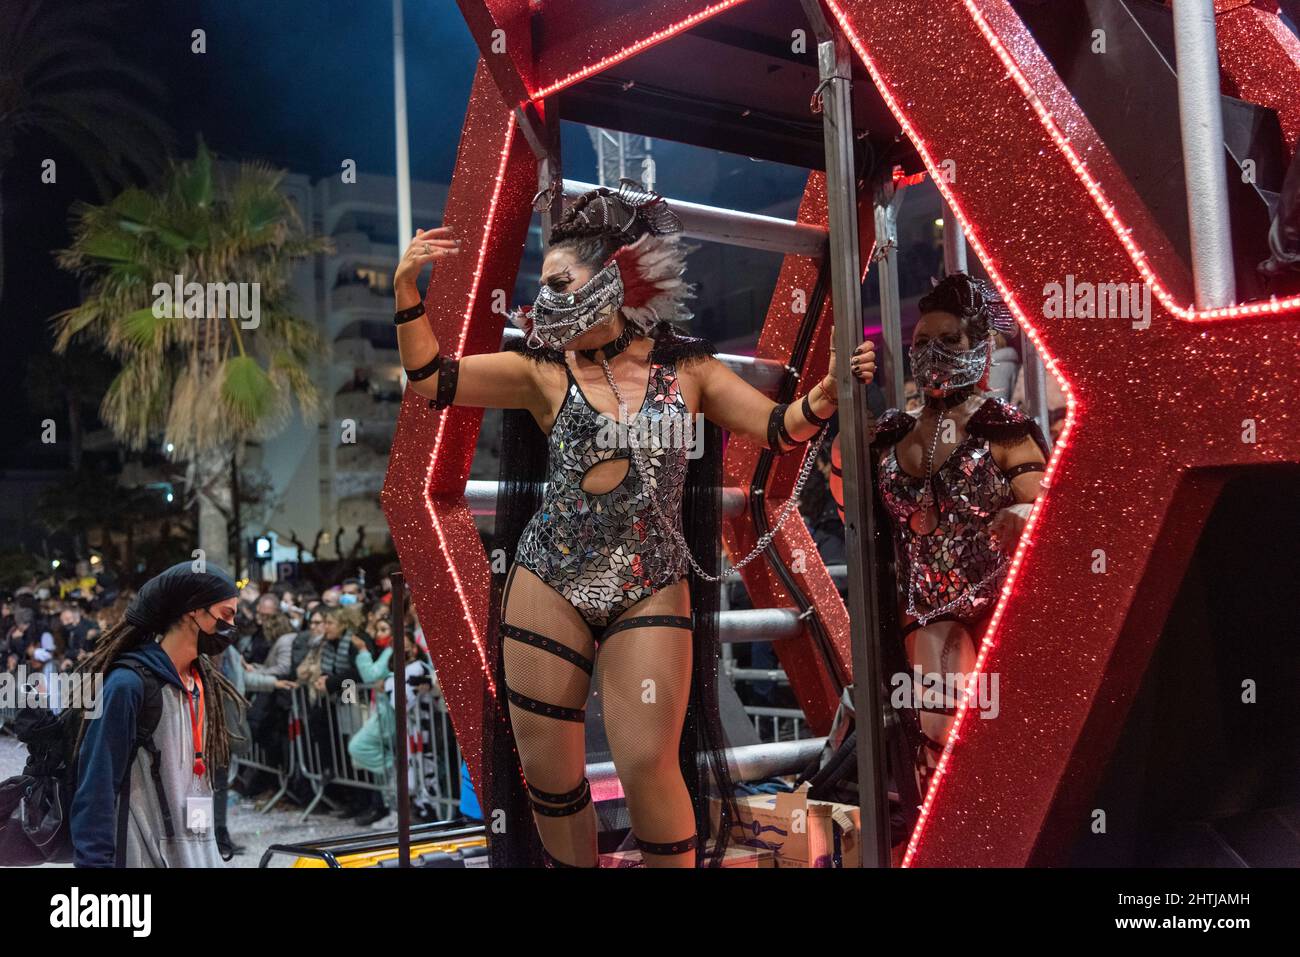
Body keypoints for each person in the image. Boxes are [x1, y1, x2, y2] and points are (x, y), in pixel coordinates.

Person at [394, 179, 875, 868]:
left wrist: (826, 395)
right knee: (552, 778)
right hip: (549, 579)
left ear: (613, 277)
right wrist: (407, 291)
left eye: (560, 281)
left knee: (649, 760)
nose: (546, 297)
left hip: (649, 581)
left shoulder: (690, 369)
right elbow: (432, 379)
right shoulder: (541, 372)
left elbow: (777, 428)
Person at [831, 273, 1047, 792]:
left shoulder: (1003, 427)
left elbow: (1050, 510)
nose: (932, 353)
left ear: (981, 348)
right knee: (928, 739)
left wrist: (1026, 514)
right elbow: (851, 510)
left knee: (969, 746)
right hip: (915, 609)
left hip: (994, 611)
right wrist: (845, 406)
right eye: (921, 343)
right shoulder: (888, 434)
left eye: (949, 341)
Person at [67, 561, 246, 868]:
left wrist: (206, 851)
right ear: (194, 612)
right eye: (226, 614)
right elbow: (96, 783)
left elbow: (194, 787)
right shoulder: (128, 685)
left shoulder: (202, 682)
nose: (232, 625)